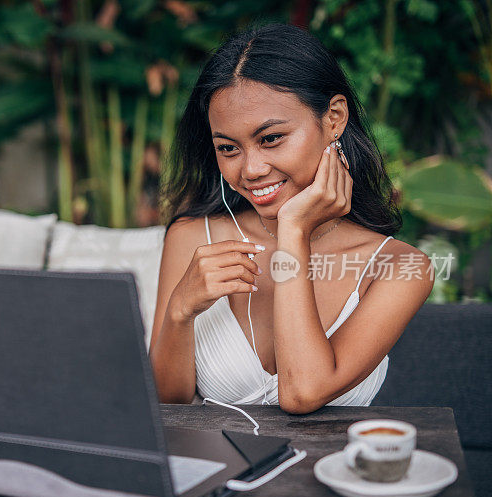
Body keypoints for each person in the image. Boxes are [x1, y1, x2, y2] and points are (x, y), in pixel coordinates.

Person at [148, 22, 435, 414]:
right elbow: (167, 404)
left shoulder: (401, 267)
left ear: (333, 117)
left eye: (270, 139)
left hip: (333, 474)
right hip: (218, 473)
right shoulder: (191, 237)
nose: (250, 169)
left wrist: (294, 232)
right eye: (228, 148)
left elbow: (303, 393)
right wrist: (180, 311)